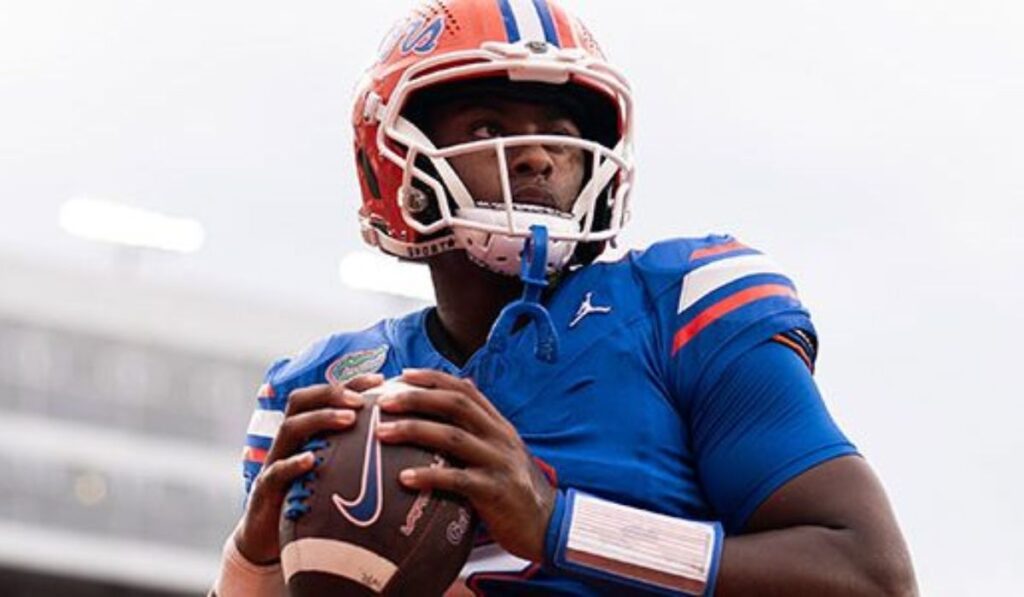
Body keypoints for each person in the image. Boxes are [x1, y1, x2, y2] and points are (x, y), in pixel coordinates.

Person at [211, 0, 916, 595]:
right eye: (489, 127)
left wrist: (558, 523)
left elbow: (867, 572)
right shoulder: (319, 389)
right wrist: (252, 556)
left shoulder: (677, 307)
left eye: (561, 133)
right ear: (397, 164)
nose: (538, 155)